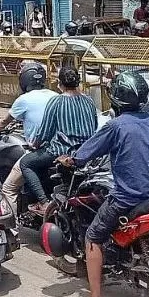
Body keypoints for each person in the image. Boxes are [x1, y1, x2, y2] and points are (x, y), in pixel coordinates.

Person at [56, 72, 149, 297]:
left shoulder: (115, 126)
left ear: (116, 99)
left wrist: (70, 160)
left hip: (128, 198)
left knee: (93, 236)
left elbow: (84, 155)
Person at [21, 66, 97, 214]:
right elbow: (93, 126)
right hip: (85, 152)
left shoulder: (56, 102)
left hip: (61, 151)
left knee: (26, 163)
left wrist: (34, 144)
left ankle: (43, 202)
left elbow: (44, 133)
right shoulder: (89, 101)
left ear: (60, 83)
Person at [0, 63, 59, 216]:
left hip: (41, 151)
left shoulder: (23, 100)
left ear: (24, 80)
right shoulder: (55, 95)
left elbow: (3, 122)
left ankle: (12, 230)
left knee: (8, 188)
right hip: (61, 149)